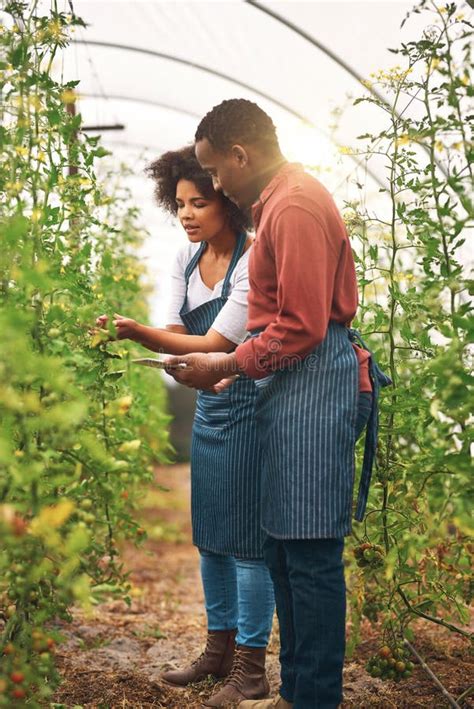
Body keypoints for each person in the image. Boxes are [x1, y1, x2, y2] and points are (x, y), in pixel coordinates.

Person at [166, 100, 389, 709]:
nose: (212, 184)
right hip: (294, 383)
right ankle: (297, 689)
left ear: (241, 156)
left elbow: (302, 325)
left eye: (214, 171)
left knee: (311, 552)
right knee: (284, 547)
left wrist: (228, 362)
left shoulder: (292, 205)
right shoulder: (280, 204)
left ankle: (313, 696)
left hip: (316, 380)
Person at [96, 145, 275, 708]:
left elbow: (217, 344)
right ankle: (216, 652)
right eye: (180, 204)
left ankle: (250, 668)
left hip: (249, 406)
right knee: (210, 537)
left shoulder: (252, 260)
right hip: (210, 405)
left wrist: (139, 334)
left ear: (228, 201)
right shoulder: (185, 259)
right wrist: (174, 356)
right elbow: (181, 331)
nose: (189, 214)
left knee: (247, 542)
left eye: (200, 202)